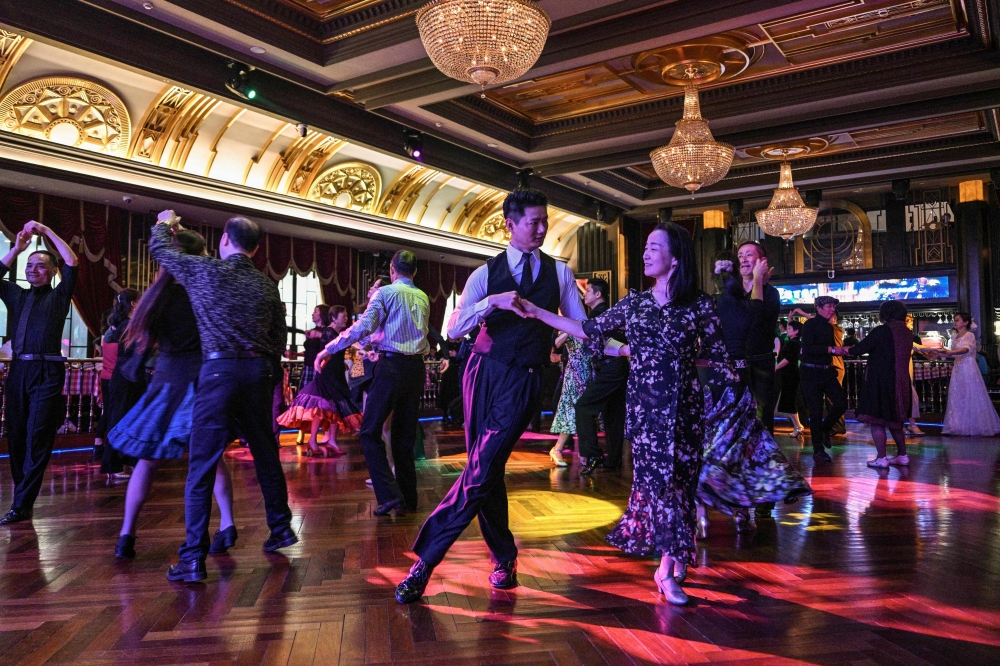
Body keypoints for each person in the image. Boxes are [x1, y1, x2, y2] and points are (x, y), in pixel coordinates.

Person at [395, 188, 622, 604]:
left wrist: (620, 348)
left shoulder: (559, 274)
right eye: (533, 221)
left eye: (544, 220)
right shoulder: (484, 273)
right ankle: (504, 557)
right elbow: (454, 329)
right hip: (480, 375)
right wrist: (489, 303)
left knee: (481, 467)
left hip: (524, 380)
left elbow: (581, 327)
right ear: (509, 225)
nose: (541, 228)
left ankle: (424, 562)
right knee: (488, 470)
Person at [515, 222, 732, 606]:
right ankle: (666, 570)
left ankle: (674, 555)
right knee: (660, 486)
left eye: (653, 247)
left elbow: (719, 358)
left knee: (681, 485)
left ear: (675, 257)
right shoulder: (635, 304)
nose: (645, 253)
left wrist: (733, 407)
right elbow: (586, 328)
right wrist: (537, 312)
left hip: (686, 411)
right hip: (647, 414)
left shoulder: (699, 304)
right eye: (644, 246)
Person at [151, 211, 295, 583]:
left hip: (218, 374)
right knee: (265, 453)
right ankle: (280, 528)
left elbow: (160, 250)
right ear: (257, 247)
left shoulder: (206, 272)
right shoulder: (267, 286)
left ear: (225, 241)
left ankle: (193, 559)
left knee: (201, 467)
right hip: (258, 372)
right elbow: (279, 338)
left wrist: (166, 224)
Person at [108, 230, 236, 559]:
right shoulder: (208, 294)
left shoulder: (156, 298)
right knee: (211, 460)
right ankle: (228, 524)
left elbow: (139, 348)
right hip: (204, 383)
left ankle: (126, 536)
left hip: (166, 385)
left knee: (147, 462)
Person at [698, 258, 811, 534]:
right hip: (732, 380)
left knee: (731, 440)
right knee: (741, 442)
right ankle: (736, 504)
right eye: (741, 258)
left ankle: (717, 505)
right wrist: (751, 278)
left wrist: (732, 275)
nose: (746, 262)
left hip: (730, 377)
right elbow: (753, 309)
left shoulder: (723, 303)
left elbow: (753, 313)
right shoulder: (739, 303)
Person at [316, 250, 429, 515]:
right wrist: (371, 344)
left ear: (392, 270)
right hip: (415, 370)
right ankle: (408, 499)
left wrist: (330, 348)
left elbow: (364, 326)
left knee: (369, 431)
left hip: (391, 368)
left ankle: (389, 495)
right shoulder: (423, 296)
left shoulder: (386, 293)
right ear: (414, 272)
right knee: (403, 437)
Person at [0, 222, 78, 524]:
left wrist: (46, 232)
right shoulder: (17, 296)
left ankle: (21, 503)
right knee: (16, 436)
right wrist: (17, 248)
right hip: (19, 369)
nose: (32, 270)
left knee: (37, 436)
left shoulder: (59, 297)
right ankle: (23, 497)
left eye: (40, 266)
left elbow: (72, 262)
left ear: (53, 272)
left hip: (47, 369)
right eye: (29, 265)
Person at [278, 305, 360, 456]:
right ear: (333, 318)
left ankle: (329, 441)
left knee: (333, 409)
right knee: (322, 408)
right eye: (344, 316)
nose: (346, 319)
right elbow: (329, 352)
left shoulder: (336, 332)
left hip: (335, 375)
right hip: (329, 375)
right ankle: (314, 440)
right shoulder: (329, 332)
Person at [842, 301, 913, 468]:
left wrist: (839, 349)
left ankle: (882, 458)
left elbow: (858, 349)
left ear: (885, 314)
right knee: (896, 422)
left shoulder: (882, 330)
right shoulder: (907, 332)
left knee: (877, 421)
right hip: (901, 382)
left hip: (881, 381)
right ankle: (903, 456)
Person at [575, 277, 628, 475]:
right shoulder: (607, 313)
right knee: (613, 415)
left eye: (587, 291)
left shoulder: (600, 315)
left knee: (583, 406)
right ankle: (613, 461)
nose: (584, 294)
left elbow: (588, 338)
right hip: (616, 367)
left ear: (598, 294)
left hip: (611, 368)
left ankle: (594, 454)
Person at [799, 296, 848, 462]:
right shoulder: (810, 325)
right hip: (810, 373)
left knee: (841, 402)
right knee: (816, 410)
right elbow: (807, 348)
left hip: (826, 372)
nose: (832, 309)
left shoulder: (829, 327)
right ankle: (818, 449)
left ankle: (825, 429)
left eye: (833, 306)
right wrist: (832, 350)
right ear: (818, 308)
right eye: (829, 306)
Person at [100, 289, 142, 480]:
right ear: (133, 303)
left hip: (125, 375)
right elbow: (135, 351)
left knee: (126, 418)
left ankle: (125, 462)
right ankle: (113, 464)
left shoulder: (121, 324)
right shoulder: (127, 324)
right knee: (119, 419)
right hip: (126, 375)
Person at [937, 313, 1000, 436]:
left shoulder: (969, 335)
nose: (954, 322)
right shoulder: (955, 336)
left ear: (965, 323)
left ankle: (973, 425)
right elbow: (953, 354)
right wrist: (940, 354)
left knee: (970, 393)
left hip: (968, 367)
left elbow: (966, 349)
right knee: (957, 393)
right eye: (954, 320)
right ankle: (957, 425)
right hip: (958, 367)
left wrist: (949, 352)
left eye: (957, 320)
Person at [548, 330, 593, 466]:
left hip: (589, 372)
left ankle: (584, 451)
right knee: (570, 411)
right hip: (573, 374)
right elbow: (556, 343)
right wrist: (569, 330)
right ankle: (558, 449)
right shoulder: (568, 329)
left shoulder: (587, 326)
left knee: (585, 413)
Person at [775, 320, 805, 437]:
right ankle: (798, 426)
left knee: (790, 401)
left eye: (790, 329)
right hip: (791, 374)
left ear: (796, 331)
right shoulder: (796, 342)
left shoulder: (793, 343)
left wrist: (776, 368)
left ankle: (798, 427)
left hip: (790, 375)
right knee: (790, 401)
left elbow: (787, 359)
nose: (787, 330)